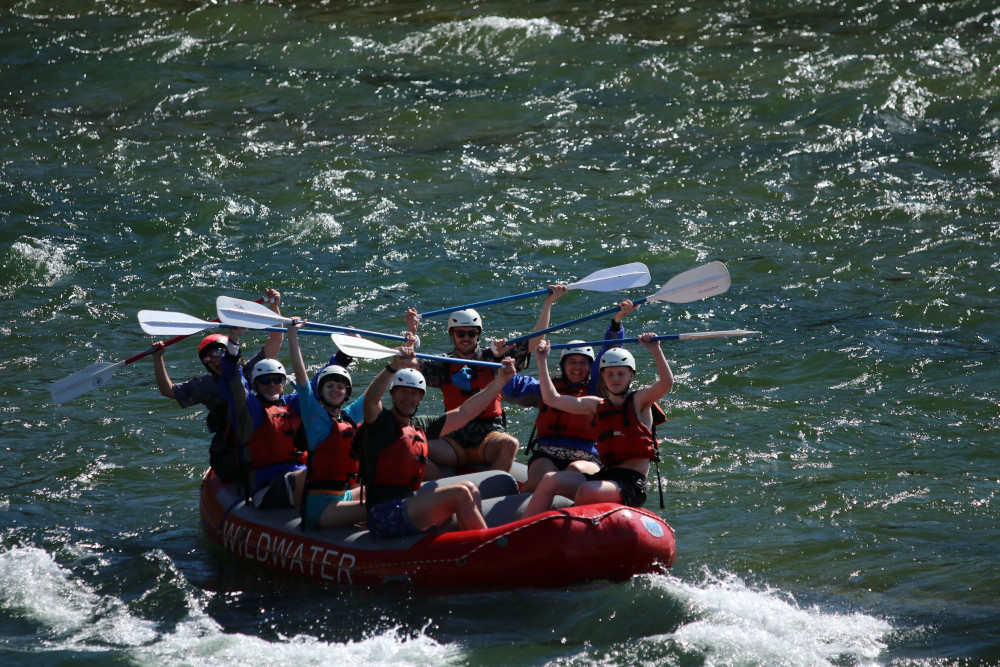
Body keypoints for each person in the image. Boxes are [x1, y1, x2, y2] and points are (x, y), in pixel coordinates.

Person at [357, 346, 517, 539]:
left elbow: (464, 413)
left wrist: (499, 381)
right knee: (461, 493)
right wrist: (393, 367)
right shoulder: (381, 423)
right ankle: (490, 547)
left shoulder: (419, 426)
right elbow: (371, 402)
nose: (409, 398)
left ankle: (472, 549)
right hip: (384, 512)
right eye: (404, 392)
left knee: (470, 490)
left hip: (409, 503)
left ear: (421, 398)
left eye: (414, 393)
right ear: (393, 394)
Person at [402, 288, 556, 477]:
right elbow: (408, 364)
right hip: (454, 437)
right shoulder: (444, 364)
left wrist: (548, 303)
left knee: (510, 443)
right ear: (452, 335)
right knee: (412, 446)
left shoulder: (494, 357)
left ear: (478, 335)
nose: (466, 338)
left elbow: (535, 341)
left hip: (489, 433)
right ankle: (447, 488)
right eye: (461, 333)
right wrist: (411, 334)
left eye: (471, 333)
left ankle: (495, 489)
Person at [502, 292, 640, 492]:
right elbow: (511, 387)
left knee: (573, 470)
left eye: (582, 363)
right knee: (538, 479)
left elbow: (609, 352)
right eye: (572, 362)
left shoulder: (597, 388)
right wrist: (504, 360)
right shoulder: (548, 388)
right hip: (547, 453)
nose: (577, 368)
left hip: (586, 455)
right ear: (563, 365)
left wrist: (616, 323)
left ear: (591, 367)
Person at [523, 334, 672, 516]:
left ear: (631, 375)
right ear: (602, 376)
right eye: (610, 374)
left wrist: (655, 349)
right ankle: (522, 532)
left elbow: (666, 383)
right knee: (549, 480)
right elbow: (552, 399)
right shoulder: (597, 405)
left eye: (621, 373)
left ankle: (568, 530)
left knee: (587, 490)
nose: (615, 378)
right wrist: (541, 360)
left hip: (631, 484)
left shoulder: (640, 401)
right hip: (605, 477)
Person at [150, 288, 283, 481]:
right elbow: (168, 390)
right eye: (207, 358)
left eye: (218, 353)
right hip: (236, 442)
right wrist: (158, 359)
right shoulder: (206, 385)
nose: (214, 359)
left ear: (230, 350)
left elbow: (277, 338)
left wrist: (274, 306)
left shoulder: (251, 370)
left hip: (265, 432)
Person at [285, 318, 367, 529]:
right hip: (320, 505)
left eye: (340, 387)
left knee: (390, 491)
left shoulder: (348, 417)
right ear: (321, 391)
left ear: (346, 392)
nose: (335, 390)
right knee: (380, 503)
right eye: (330, 385)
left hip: (344, 495)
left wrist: (396, 365)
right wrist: (292, 335)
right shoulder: (313, 417)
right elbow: (302, 380)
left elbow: (372, 396)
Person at [219, 327, 305, 510]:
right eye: (265, 381)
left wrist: (343, 356)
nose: (272, 385)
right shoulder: (251, 408)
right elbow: (233, 381)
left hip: (298, 475)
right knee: (321, 473)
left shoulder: (291, 403)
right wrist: (233, 341)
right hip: (267, 486)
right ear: (256, 385)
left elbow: (321, 387)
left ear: (283, 384)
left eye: (277, 380)